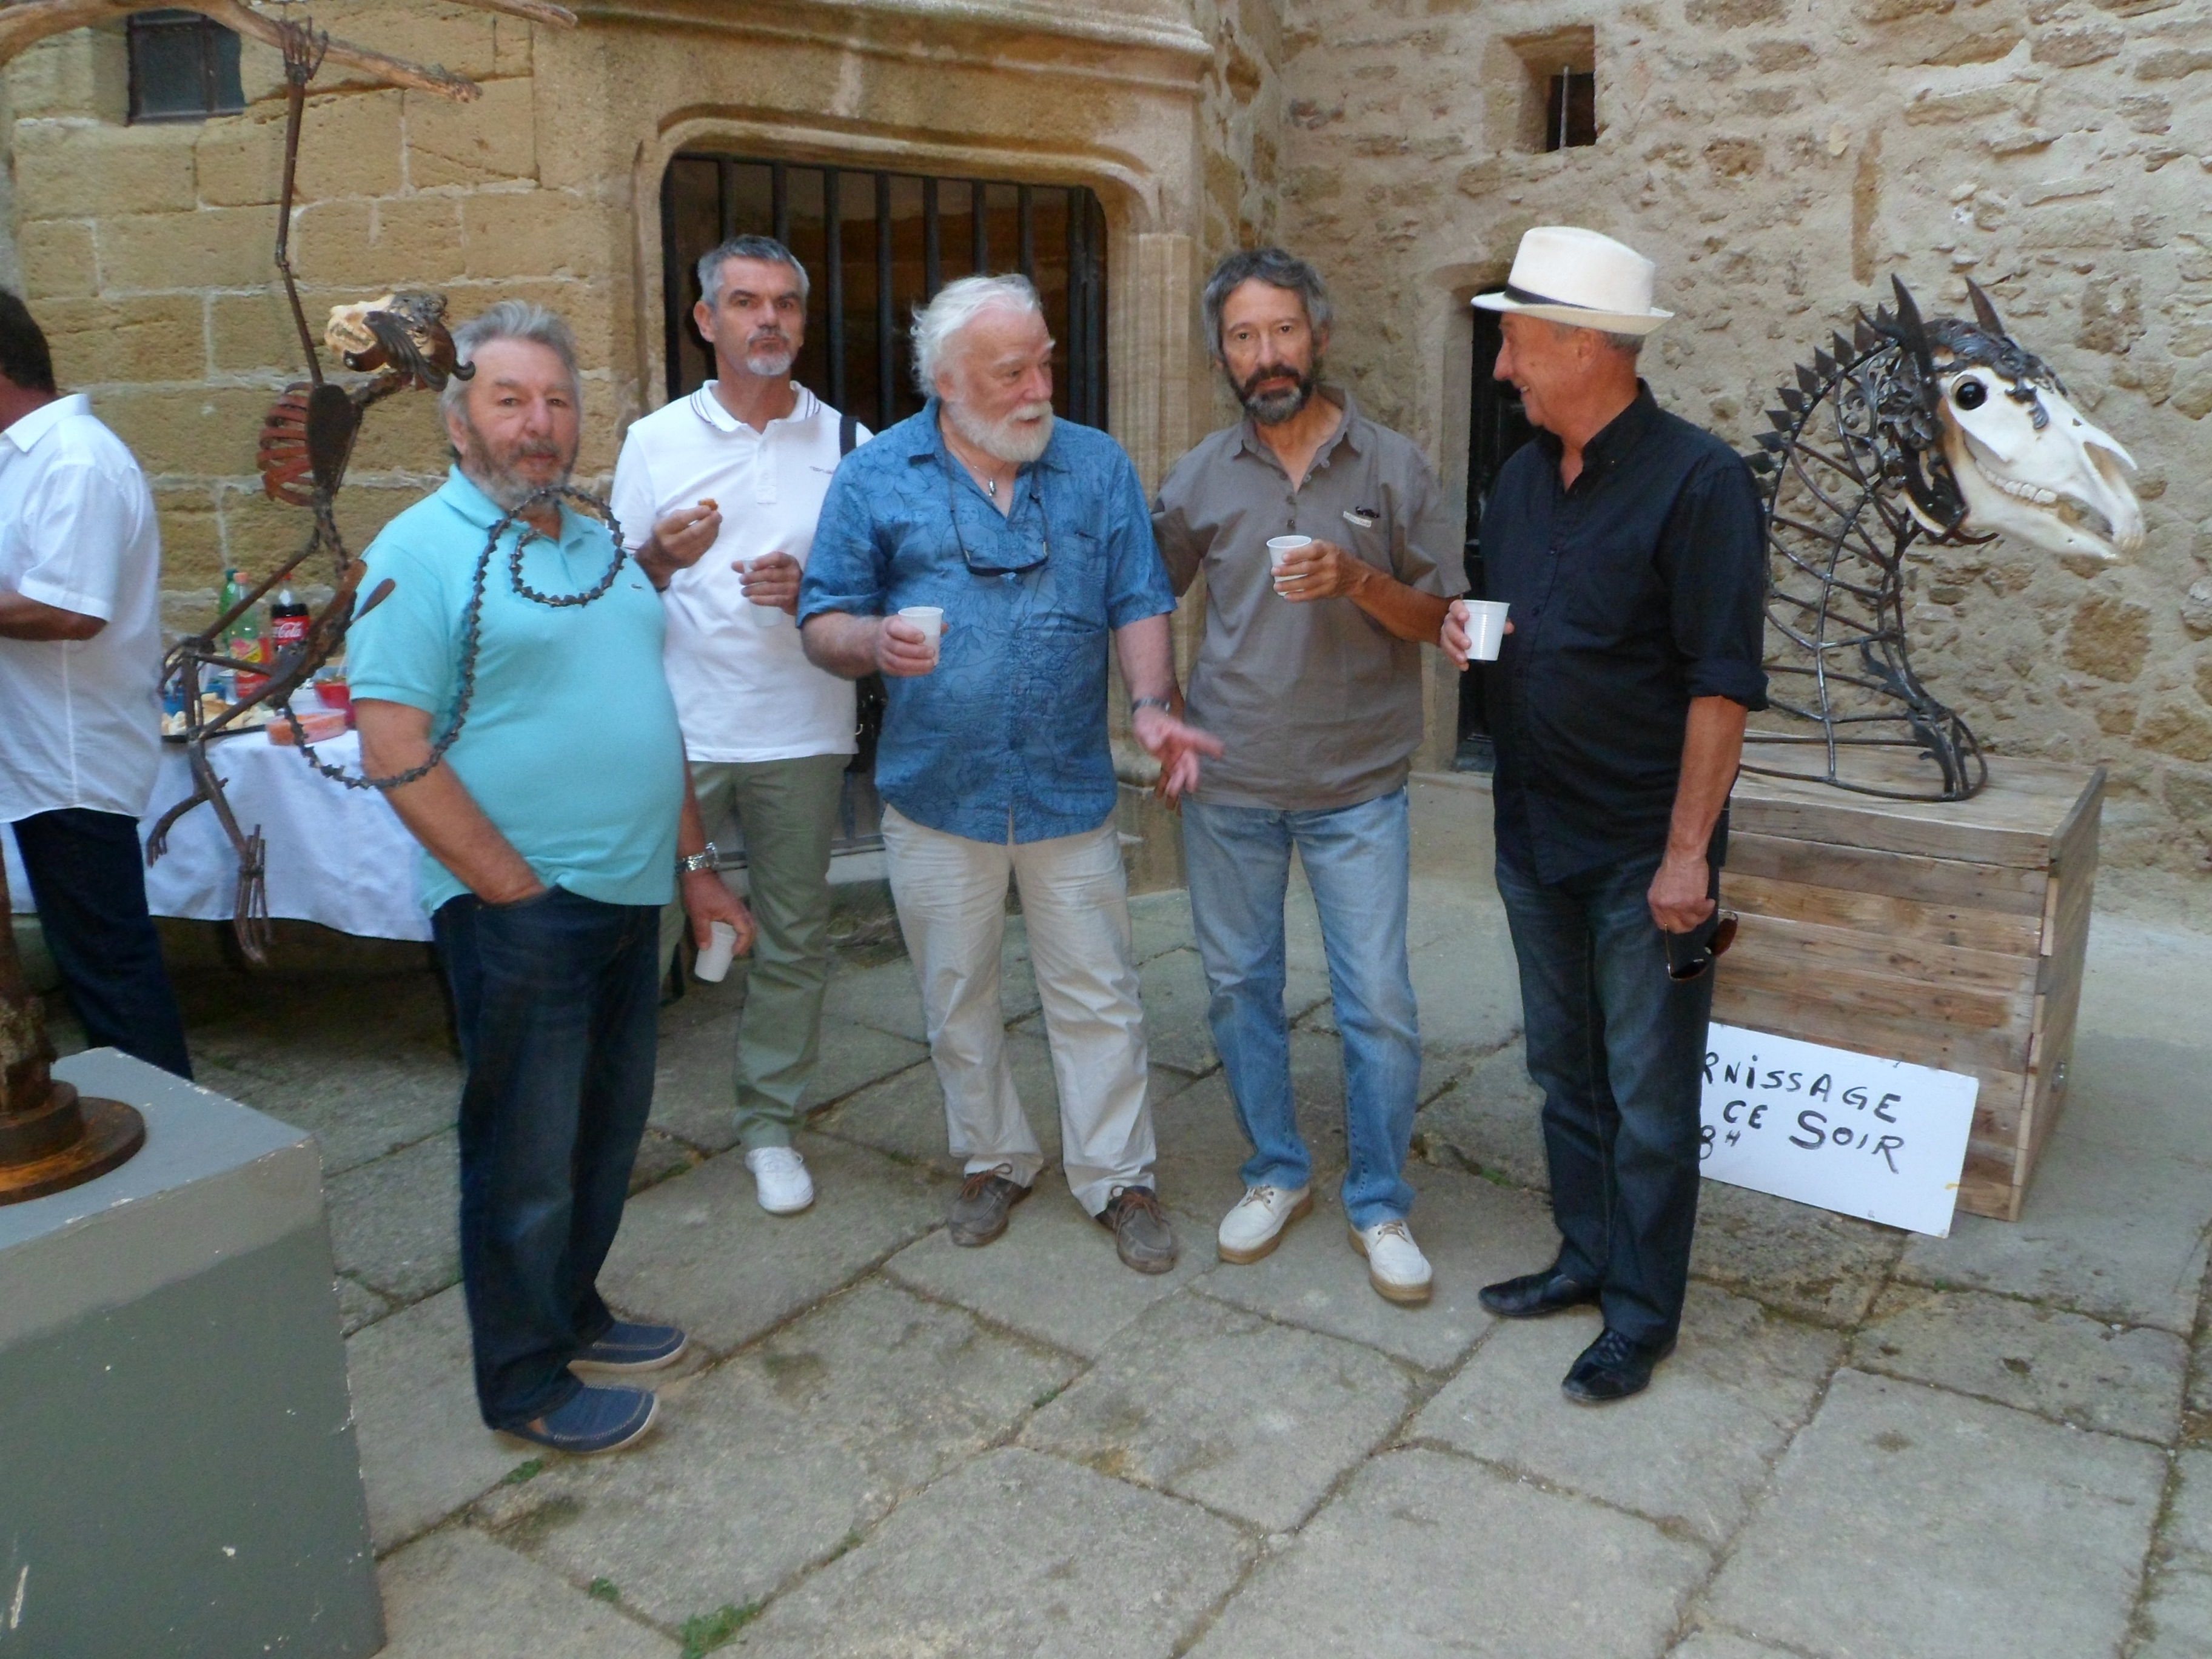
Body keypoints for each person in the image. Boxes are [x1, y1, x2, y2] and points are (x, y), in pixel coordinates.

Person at [349, 301, 751, 1455]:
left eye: (559, 401)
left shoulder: (592, 545)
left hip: (634, 901)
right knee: (522, 1153)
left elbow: (648, 718)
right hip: (522, 910)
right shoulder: (419, 551)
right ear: (458, 419)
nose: (540, 423)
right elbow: (392, 747)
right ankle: (523, 1379)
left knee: (602, 1134)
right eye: (510, 399)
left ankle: (571, 1310)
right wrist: (512, 891)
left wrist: (696, 871)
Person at [799, 274, 1220, 1274]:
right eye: (1012, 370)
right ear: (947, 380)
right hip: (939, 791)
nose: (1039, 387)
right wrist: (871, 639)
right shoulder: (876, 476)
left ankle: (1118, 1177)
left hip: (1067, 785)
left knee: (1100, 992)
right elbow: (822, 620)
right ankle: (995, 1158)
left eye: (1044, 363)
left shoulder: (1096, 465)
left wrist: (1154, 709)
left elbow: (1137, 596)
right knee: (958, 994)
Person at [1450, 226, 1766, 1403]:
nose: (1502, 369)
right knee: (1561, 1071)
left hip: (1651, 859)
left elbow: (1723, 683)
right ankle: (1584, 1260)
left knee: (1650, 1095)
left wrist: (1688, 860)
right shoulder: (1524, 480)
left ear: (1584, 345)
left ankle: (1642, 1311)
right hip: (1533, 834)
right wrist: (1472, 634)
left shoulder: (1703, 483)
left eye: (1517, 344)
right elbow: (1525, 622)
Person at [1153, 249, 1464, 1306]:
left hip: (1358, 783)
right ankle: (1276, 1172)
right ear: (1223, 354)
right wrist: (1153, 714)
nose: (1265, 354)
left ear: (1317, 336)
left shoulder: (1394, 467)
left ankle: (1379, 1201)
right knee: (1241, 990)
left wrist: (1357, 578)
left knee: (1377, 1002)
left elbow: (1445, 622)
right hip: (1231, 783)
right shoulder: (1199, 476)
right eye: (1243, 336)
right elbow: (1144, 596)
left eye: (1282, 330)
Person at [611, 235, 866, 1218]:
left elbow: (880, 590)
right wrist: (661, 562)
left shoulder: (852, 444)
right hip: (678, 732)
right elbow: (609, 589)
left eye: (787, 304)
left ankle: (770, 1127)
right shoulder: (656, 440)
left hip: (803, 728)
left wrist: (815, 591)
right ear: (705, 321)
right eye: (748, 303)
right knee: (642, 937)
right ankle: (611, 1125)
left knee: (797, 936)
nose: (770, 320)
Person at [0, 289, 192, 1080]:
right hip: (40, 754)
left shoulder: (74, 457)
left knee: (112, 974)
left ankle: (179, 1146)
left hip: (71, 759)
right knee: (99, 971)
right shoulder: (32, 459)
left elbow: (69, 610)